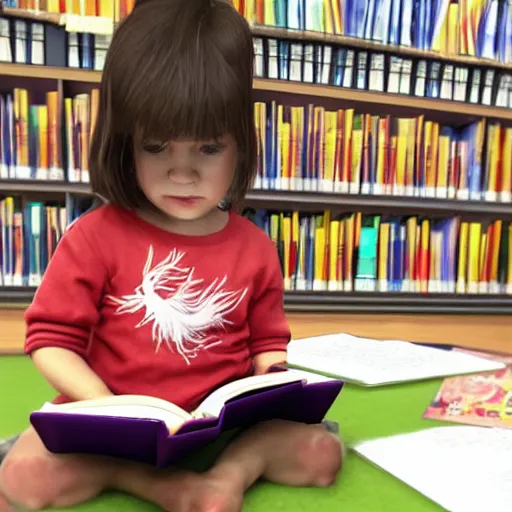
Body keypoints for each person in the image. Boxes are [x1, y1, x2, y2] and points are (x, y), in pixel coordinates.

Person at [0, 0, 343, 510]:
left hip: (213, 429)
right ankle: (172, 486)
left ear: (241, 146)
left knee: (321, 453)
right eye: (157, 147)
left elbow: (267, 344)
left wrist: (273, 384)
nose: (182, 174)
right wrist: (107, 408)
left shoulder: (255, 247)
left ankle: (227, 472)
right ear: (125, 144)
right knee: (22, 477)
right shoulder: (94, 236)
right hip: (116, 427)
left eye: (208, 149)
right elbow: (51, 341)